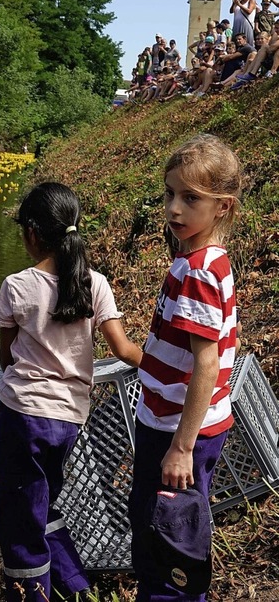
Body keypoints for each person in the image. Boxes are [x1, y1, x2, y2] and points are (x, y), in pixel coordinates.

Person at [0, 182, 143, 601]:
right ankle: (75, 586)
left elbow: (7, 359)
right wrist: (175, 371)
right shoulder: (96, 284)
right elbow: (125, 349)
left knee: (18, 520)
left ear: (33, 233)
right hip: (70, 419)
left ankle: (30, 595)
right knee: (42, 502)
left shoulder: (18, 286)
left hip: (24, 417)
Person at [128, 135, 243, 602]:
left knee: (166, 539)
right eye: (169, 193)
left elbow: (207, 364)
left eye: (191, 198)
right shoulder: (208, 260)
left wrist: (180, 447)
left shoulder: (197, 270)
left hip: (178, 430)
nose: (175, 208)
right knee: (174, 529)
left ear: (222, 207)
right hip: (195, 424)